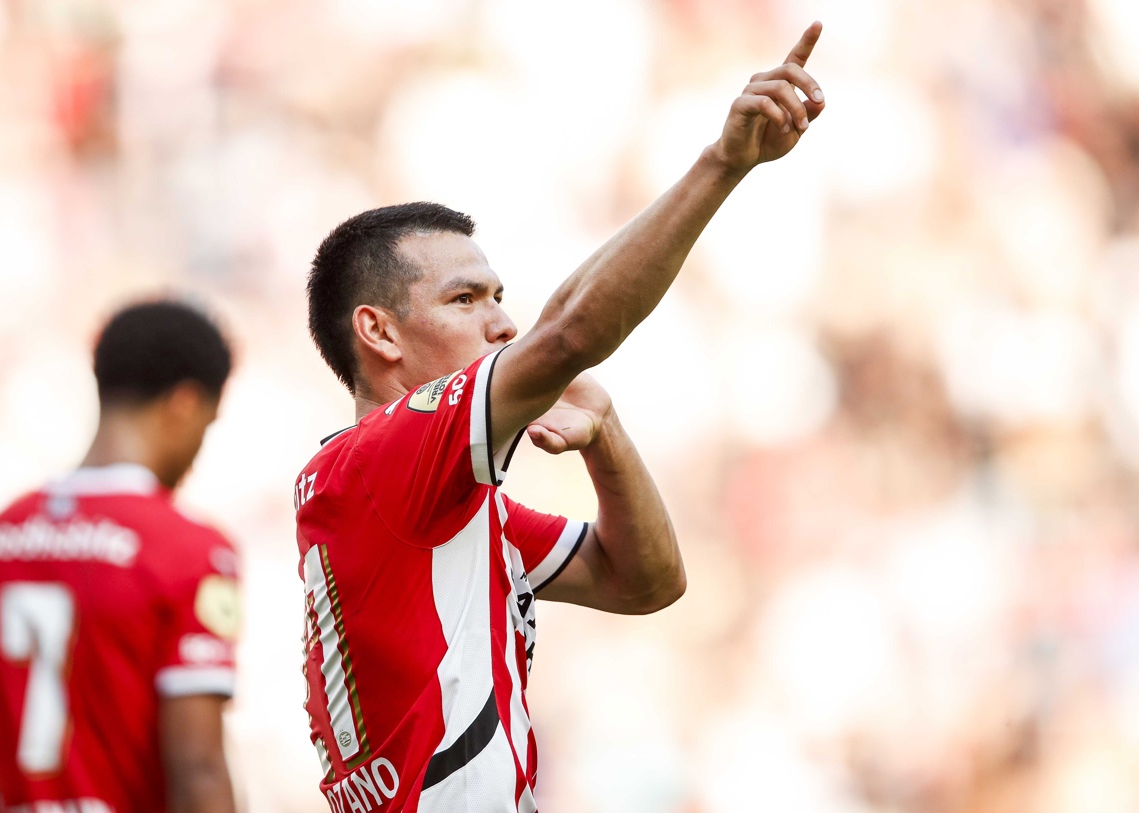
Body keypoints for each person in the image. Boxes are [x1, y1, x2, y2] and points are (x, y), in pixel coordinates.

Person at [295, 23, 826, 812]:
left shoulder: (438, 502)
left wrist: (605, 435)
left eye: (500, 298)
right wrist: (723, 164)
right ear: (377, 331)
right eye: (465, 299)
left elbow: (645, 581)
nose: (501, 324)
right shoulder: (382, 460)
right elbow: (569, 332)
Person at [0, 300, 241, 813]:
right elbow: (198, 770)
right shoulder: (190, 548)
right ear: (184, 404)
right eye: (209, 425)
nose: (200, 450)